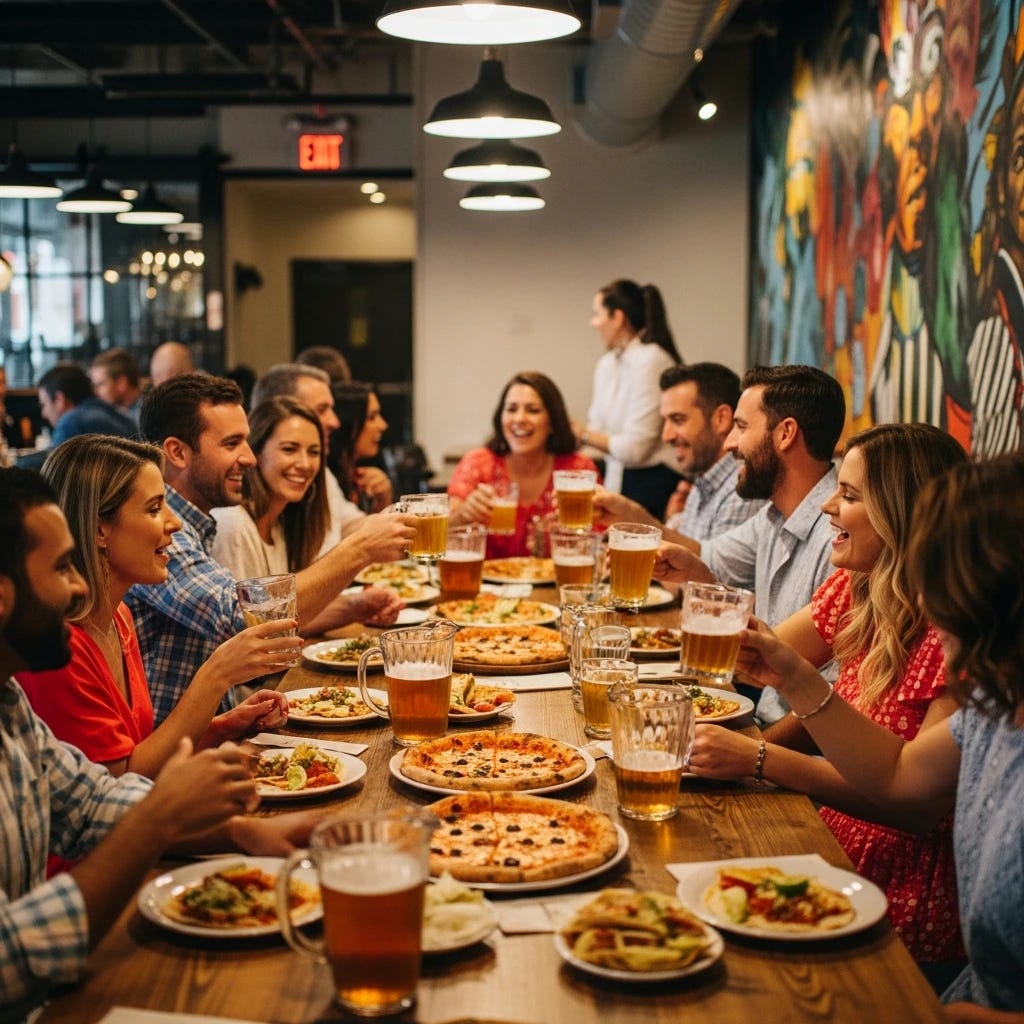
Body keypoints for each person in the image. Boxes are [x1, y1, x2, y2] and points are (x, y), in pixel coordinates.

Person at [0, 467, 323, 1018]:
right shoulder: (56, 660)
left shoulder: (8, 704)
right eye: (60, 568)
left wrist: (246, 832)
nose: (79, 585)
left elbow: (88, 803)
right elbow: (10, 959)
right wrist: (162, 816)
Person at [733, 453, 1024, 1018]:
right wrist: (792, 675)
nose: (923, 602)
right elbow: (898, 777)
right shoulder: (992, 708)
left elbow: (912, 812)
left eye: (936, 577)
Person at [686, 423, 968, 975]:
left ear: (902, 513)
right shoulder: (861, 583)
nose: (829, 506)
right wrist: (703, 599)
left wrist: (762, 759)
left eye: (851, 495)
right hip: (824, 838)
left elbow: (912, 806)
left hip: (902, 895)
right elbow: (761, 651)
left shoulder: (952, 630)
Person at [124, 373, 416, 724]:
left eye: (247, 442)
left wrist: (353, 603)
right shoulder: (161, 533)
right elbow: (246, 620)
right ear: (177, 452)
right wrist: (360, 549)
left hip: (211, 733)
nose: (249, 458)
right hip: (167, 759)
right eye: (232, 444)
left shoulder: (199, 526)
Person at [17, 434, 297, 779]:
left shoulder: (118, 617)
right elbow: (124, 781)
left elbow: (140, 750)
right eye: (153, 509)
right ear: (99, 530)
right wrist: (216, 674)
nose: (175, 522)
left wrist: (221, 728)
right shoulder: (63, 649)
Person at [650, 364, 846, 725]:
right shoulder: (773, 515)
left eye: (741, 427)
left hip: (793, 756)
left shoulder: (840, 538)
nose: (729, 442)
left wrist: (757, 756)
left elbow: (835, 699)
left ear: (786, 433)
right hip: (759, 725)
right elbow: (707, 561)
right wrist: (695, 570)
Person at [210, 395, 401, 631]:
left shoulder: (281, 525)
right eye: (289, 449)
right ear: (255, 453)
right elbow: (249, 632)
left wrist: (355, 607)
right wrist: (360, 548)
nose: (304, 464)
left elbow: (284, 620)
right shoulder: (233, 524)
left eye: (314, 452)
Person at [594, 362, 766, 542]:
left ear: (721, 419)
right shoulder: (702, 481)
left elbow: (712, 569)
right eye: (665, 422)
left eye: (678, 420)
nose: (666, 436)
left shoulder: (743, 491)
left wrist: (635, 518)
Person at [447, 371, 600, 558]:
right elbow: (441, 534)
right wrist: (463, 514)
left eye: (533, 410)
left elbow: (600, 538)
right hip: (488, 583)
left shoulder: (578, 469)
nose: (519, 419)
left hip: (558, 583)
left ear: (552, 421)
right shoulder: (478, 463)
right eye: (511, 409)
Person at [575, 279, 683, 518]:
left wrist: (582, 434)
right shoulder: (606, 364)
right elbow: (597, 428)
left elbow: (637, 449)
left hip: (654, 481)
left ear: (618, 317)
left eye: (597, 314)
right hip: (619, 476)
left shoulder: (652, 360)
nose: (593, 323)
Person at [251, 363, 366, 553]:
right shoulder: (237, 522)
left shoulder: (318, 473)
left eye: (313, 452)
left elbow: (349, 525)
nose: (334, 421)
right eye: (322, 410)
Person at [36, 362, 138, 446]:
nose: (43, 414)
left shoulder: (71, 422)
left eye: (44, 404)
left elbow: (52, 466)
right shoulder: (114, 413)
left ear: (59, 400)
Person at [332, 381, 394, 513]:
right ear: (346, 424)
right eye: (371, 417)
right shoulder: (328, 483)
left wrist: (383, 501)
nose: (383, 425)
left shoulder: (359, 480)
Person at [89, 347, 144, 421]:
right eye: (94, 385)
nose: (95, 392)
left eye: (101, 384)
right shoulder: (120, 414)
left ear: (121, 383)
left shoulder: (142, 418)